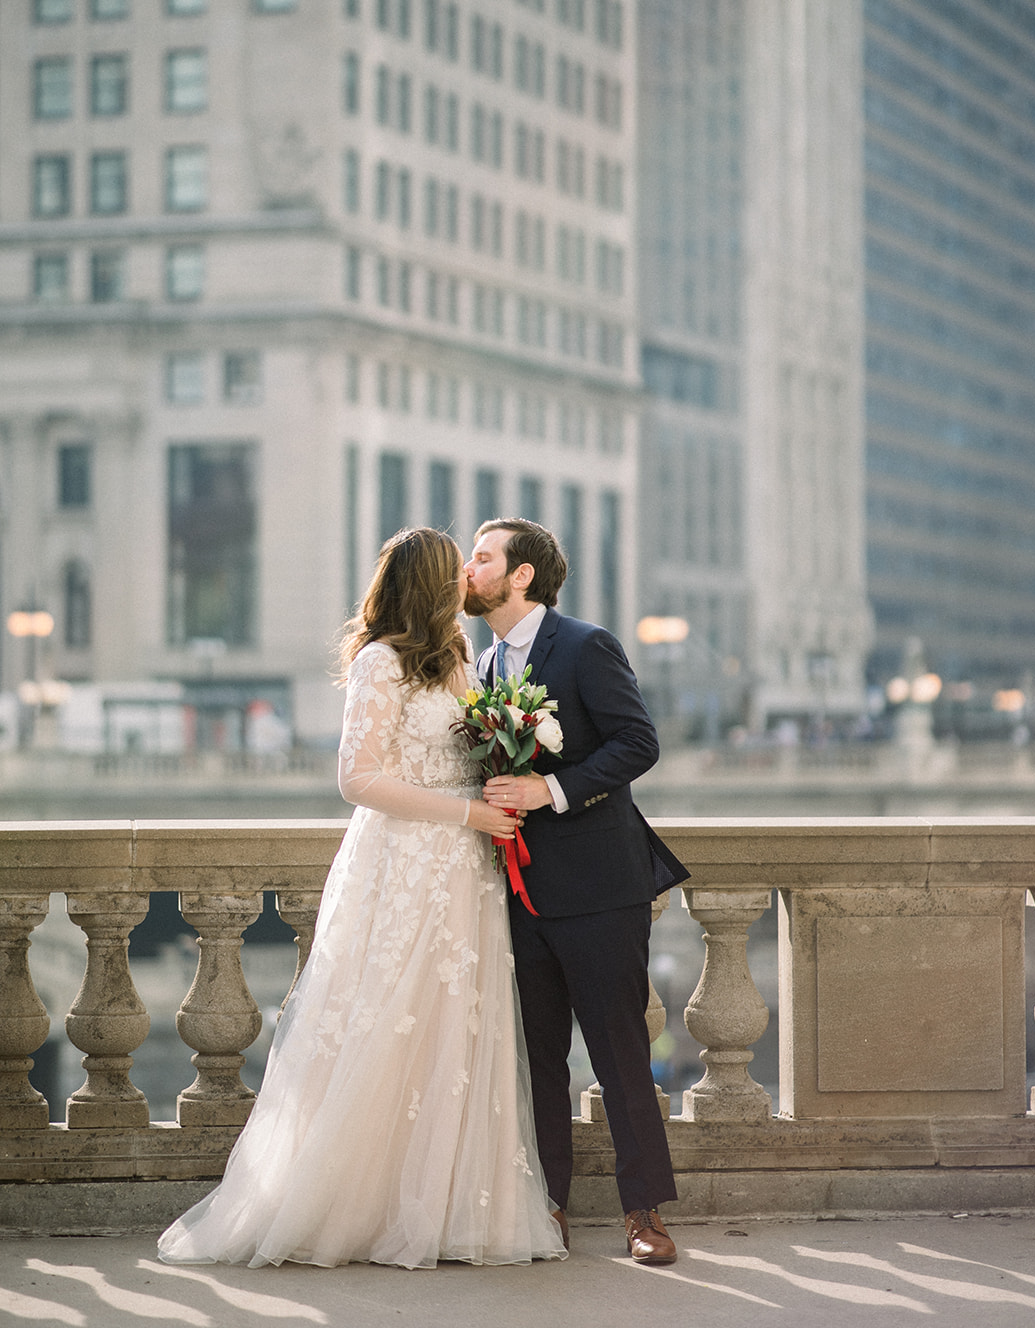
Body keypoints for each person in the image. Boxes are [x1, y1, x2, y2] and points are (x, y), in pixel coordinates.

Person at [159, 527, 566, 1271]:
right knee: (386, 1020)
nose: (469, 582)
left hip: (466, 871)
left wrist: (502, 779)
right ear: (431, 585)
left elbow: (464, 753)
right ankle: (358, 1207)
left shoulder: (461, 661)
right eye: (458, 572)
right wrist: (465, 812)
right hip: (406, 862)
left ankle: (445, 1210)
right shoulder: (380, 662)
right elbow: (357, 781)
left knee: (457, 1025)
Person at [465, 518, 689, 1267]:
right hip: (518, 896)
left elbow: (637, 742)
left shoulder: (586, 644)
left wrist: (549, 790)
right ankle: (547, 1209)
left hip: (599, 889)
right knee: (536, 1062)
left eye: (483, 556)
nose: (469, 567)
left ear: (521, 575)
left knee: (620, 1057)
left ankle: (643, 1214)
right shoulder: (483, 662)